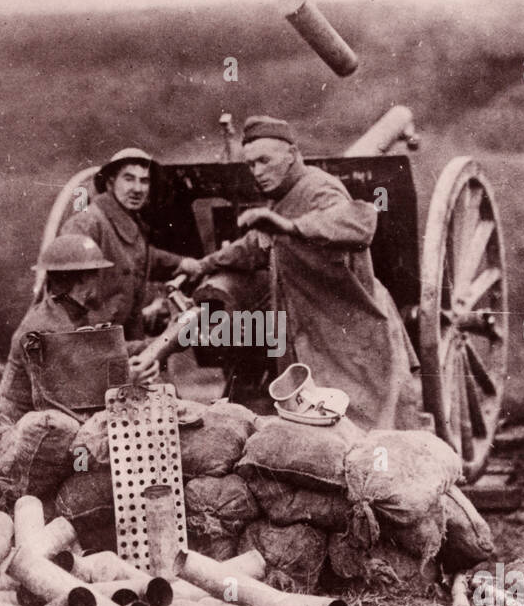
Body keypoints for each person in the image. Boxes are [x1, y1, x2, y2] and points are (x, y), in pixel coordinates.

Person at [182, 115, 425, 432]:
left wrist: (291, 227)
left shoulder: (320, 189)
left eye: (264, 161)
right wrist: (206, 264)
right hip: (312, 337)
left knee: (367, 432)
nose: (257, 172)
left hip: (353, 336)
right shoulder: (283, 199)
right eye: (251, 164)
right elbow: (254, 245)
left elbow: (358, 224)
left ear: (292, 154)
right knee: (324, 433)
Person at [0, 233, 158, 421]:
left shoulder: (69, 313)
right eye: (96, 272)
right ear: (83, 278)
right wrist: (127, 380)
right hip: (27, 429)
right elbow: (70, 398)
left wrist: (150, 345)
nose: (100, 278)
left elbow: (102, 350)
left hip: (50, 422)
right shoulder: (45, 329)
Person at [61, 147, 186, 340]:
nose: (138, 189)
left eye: (144, 181)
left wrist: (181, 264)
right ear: (111, 182)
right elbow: (65, 298)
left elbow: (141, 255)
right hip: (88, 342)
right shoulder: (87, 224)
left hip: (120, 339)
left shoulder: (130, 223)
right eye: (129, 179)